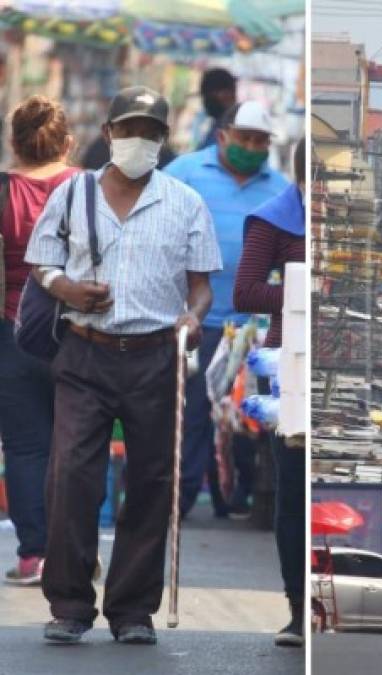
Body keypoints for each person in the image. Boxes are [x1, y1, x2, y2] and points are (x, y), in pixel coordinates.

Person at [25, 86, 222, 644]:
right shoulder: (71, 194)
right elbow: (41, 261)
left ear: (163, 139)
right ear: (109, 133)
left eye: (151, 131)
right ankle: (68, 603)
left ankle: (132, 610)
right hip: (84, 351)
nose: (139, 139)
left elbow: (202, 287)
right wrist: (66, 286)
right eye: (130, 128)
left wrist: (193, 317)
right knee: (71, 477)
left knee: (154, 481)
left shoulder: (184, 202)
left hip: (154, 356)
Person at [165, 101, 290, 519]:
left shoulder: (280, 188)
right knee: (193, 414)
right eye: (245, 138)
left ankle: (242, 499)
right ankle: (178, 503)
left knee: (251, 417)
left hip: (254, 328)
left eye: (260, 141)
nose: (252, 147)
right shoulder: (184, 173)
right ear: (223, 136)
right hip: (198, 321)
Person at [0, 96, 79, 585]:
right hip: (78, 331)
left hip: (12, 330)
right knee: (76, 445)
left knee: (27, 447)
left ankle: (34, 555)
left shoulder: (3, 191)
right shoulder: (86, 189)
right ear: (68, 142)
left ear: (13, 142)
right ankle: (73, 552)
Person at [234, 137, 306, 646]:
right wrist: (306, 292)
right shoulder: (273, 219)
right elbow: (246, 292)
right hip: (291, 366)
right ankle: (298, 609)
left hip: (347, 361)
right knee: (294, 492)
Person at [198, 67, 238, 149]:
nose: (205, 102)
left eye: (207, 96)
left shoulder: (231, 130)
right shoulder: (219, 124)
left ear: (227, 94)